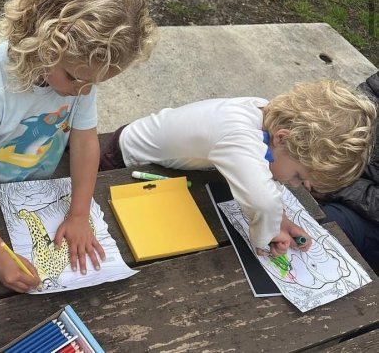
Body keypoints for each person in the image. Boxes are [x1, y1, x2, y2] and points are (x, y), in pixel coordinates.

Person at [0, 0, 157, 292]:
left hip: (35, 189)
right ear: (45, 43)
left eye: (94, 84)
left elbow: (85, 142)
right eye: (76, 79)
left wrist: (79, 214)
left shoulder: (80, 74)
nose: (82, 92)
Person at [100, 80, 377, 257]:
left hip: (176, 165)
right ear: (283, 138)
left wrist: (278, 220)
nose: (294, 185)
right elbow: (262, 201)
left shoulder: (267, 116)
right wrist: (266, 235)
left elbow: (265, 187)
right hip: (126, 161)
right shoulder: (238, 135)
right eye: (298, 176)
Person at [314, 72, 379, 273]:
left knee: (322, 229)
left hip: (368, 215)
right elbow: (347, 116)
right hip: (349, 182)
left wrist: (335, 181)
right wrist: (320, 156)